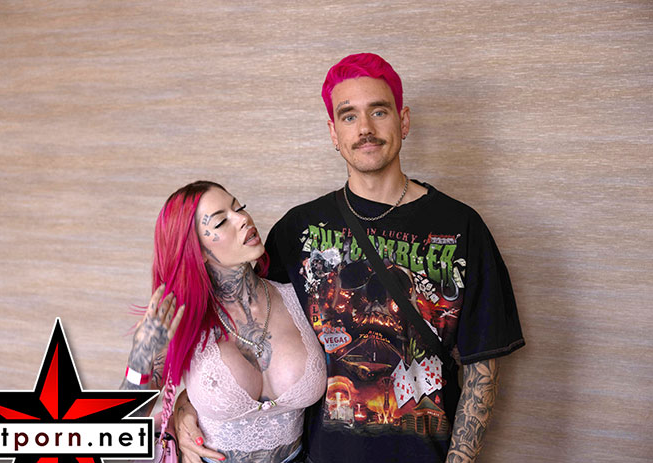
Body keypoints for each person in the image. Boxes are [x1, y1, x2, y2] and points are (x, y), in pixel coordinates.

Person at [175, 53, 525, 462]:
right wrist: (184, 407)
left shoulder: (462, 228)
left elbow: (483, 370)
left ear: (403, 121)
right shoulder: (296, 231)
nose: (365, 129)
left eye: (379, 111)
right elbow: (241, 332)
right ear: (333, 133)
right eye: (348, 116)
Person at [121, 181, 327, 463]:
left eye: (239, 208)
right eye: (221, 221)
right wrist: (139, 359)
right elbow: (121, 433)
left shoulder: (300, 298)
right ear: (197, 251)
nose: (243, 219)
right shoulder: (180, 321)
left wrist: (184, 404)